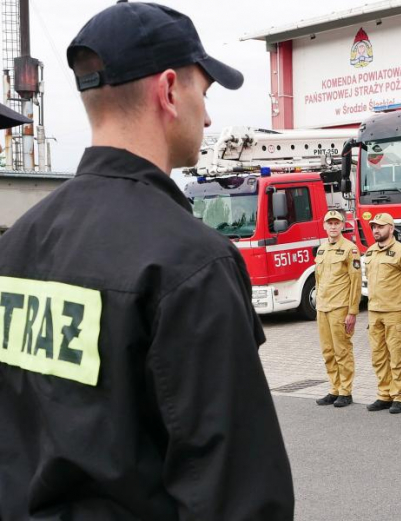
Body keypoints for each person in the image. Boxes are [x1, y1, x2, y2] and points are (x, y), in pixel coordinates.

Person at [0, 3, 294, 519]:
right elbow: (236, 493)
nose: (207, 115)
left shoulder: (17, 244)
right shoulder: (192, 264)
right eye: (203, 93)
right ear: (168, 91)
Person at [364, 213, 401, 414]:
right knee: (378, 356)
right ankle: (384, 394)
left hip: (395, 312)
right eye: (374, 227)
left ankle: (399, 396)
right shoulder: (370, 252)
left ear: (391, 228)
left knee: (397, 356)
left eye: (380, 227)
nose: (376, 230)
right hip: (374, 312)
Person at [314, 209, 362, 408]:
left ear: (343, 225)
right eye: (329, 223)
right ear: (324, 226)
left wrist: (352, 311)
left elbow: (355, 281)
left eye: (337, 223)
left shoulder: (350, 249)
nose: (333, 226)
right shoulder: (321, 249)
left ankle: (346, 391)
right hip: (323, 308)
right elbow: (318, 279)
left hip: (340, 308)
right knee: (328, 351)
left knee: (342, 350)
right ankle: (334, 388)